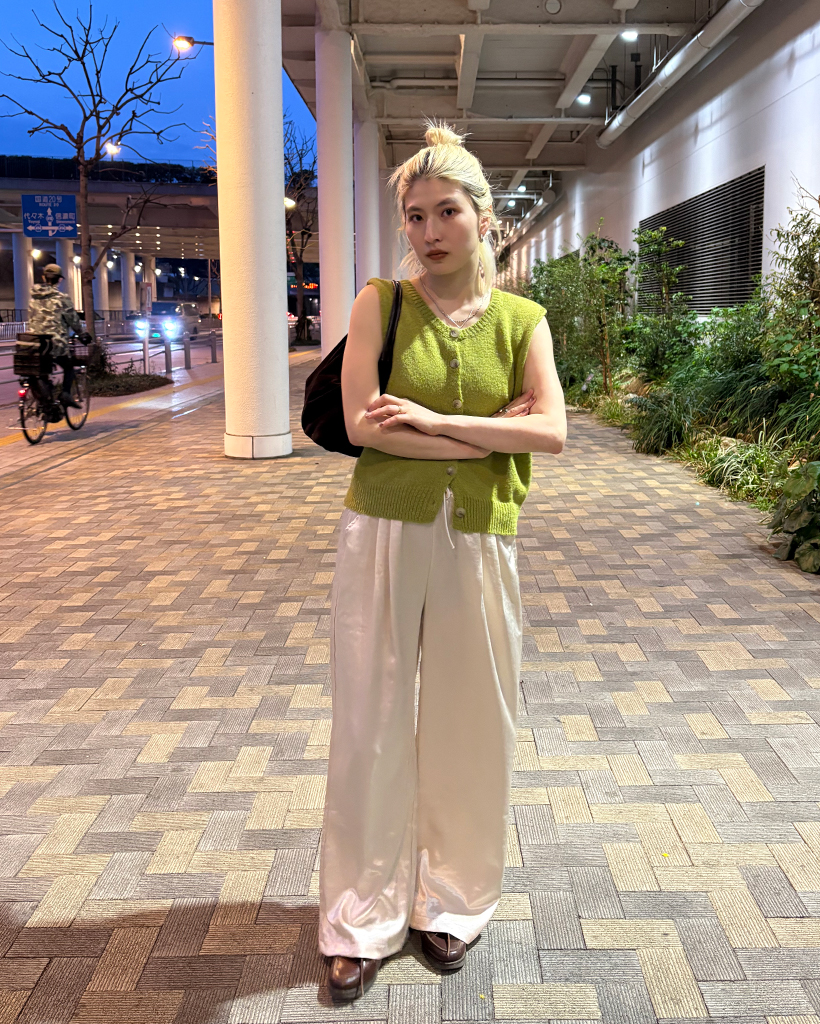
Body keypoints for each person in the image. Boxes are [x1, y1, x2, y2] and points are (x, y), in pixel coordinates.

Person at [320, 121, 568, 1001]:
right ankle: (358, 916)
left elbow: (554, 431)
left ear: (485, 217)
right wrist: (489, 436)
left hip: (482, 534)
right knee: (371, 717)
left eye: (448, 212)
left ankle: (453, 902)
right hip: (385, 529)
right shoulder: (380, 304)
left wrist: (430, 421)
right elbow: (363, 427)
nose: (429, 231)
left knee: (475, 718)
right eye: (416, 216)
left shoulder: (523, 320)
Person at [27, 262, 83, 408]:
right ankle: (66, 395)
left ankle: (44, 403)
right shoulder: (61, 298)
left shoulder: (33, 298)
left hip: (34, 344)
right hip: (55, 344)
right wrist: (82, 334)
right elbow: (73, 320)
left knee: (42, 369)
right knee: (69, 367)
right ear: (59, 279)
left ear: (43, 277)